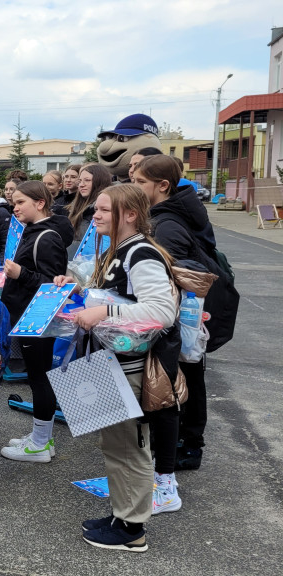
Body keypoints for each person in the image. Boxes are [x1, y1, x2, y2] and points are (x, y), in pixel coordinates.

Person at [54, 184, 177, 552]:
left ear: (130, 214)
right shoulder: (118, 251)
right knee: (116, 445)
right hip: (112, 363)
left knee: (130, 446)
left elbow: (161, 312)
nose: (96, 215)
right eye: (97, 209)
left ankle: (132, 530)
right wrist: (78, 289)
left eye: (105, 209)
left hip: (130, 367)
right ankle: (123, 514)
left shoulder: (140, 254)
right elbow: (115, 295)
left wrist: (103, 312)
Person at [134, 154, 213, 507]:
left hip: (177, 322)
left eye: (140, 183)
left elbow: (173, 280)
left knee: (178, 387)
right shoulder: (169, 217)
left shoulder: (166, 225)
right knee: (182, 382)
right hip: (179, 321)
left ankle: (184, 451)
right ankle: (183, 446)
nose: (134, 188)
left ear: (162, 186)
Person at [0, 181, 73, 462]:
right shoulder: (34, 232)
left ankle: (40, 444)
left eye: (20, 202)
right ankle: (42, 436)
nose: (14, 208)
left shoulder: (47, 237)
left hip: (38, 320)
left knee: (40, 380)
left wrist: (20, 274)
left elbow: (53, 286)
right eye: (14, 203)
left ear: (40, 203)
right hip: (28, 318)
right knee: (37, 378)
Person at [68, 163, 113, 242]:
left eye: (87, 180)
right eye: (80, 181)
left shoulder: (111, 207)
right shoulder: (77, 207)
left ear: (100, 181)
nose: (81, 185)